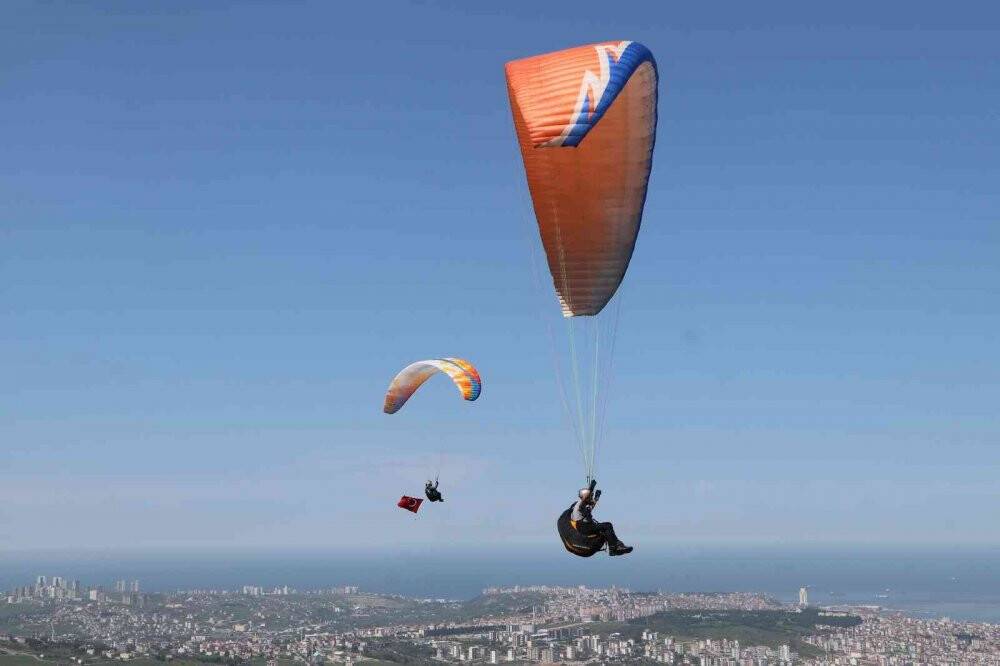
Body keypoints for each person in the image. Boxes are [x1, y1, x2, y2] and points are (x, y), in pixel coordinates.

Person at [570, 486, 632, 556]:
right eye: (590, 496)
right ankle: (613, 549)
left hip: (586, 526)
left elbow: (591, 506)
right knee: (608, 525)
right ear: (585, 496)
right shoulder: (579, 504)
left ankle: (617, 546)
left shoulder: (585, 505)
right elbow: (585, 499)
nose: (591, 498)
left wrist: (597, 497)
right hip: (584, 527)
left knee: (606, 529)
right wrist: (591, 488)